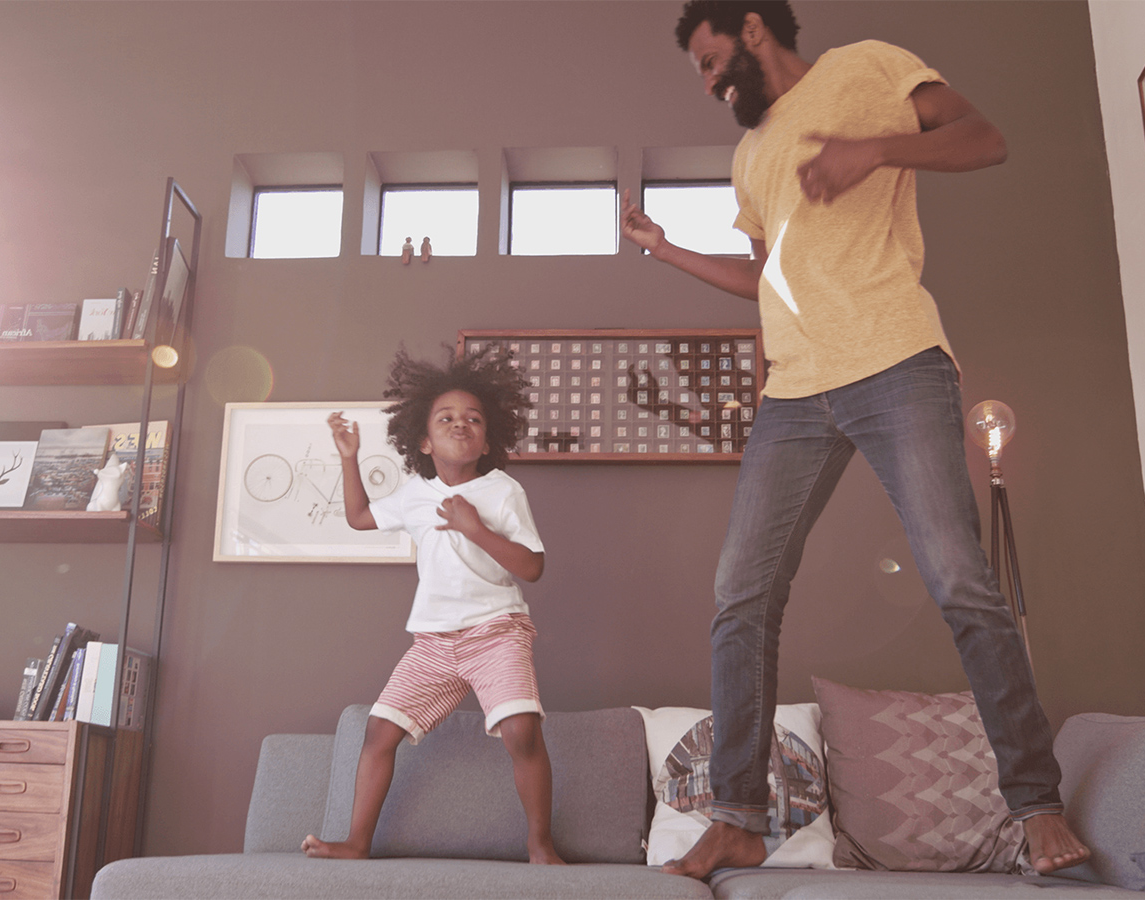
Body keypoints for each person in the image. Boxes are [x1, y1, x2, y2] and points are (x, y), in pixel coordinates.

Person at [618, 0, 1091, 879]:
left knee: (958, 580)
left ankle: (1035, 806)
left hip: (895, 359)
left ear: (751, 29)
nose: (708, 81)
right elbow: (766, 276)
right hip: (794, 390)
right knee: (740, 595)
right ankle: (737, 818)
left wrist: (874, 149)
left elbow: (984, 138)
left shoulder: (866, 68)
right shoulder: (750, 154)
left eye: (710, 60)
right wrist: (664, 249)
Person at [302, 346, 565, 866]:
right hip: (434, 641)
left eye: (474, 419)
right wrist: (349, 456)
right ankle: (356, 843)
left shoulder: (503, 491)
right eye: (445, 418)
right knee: (379, 732)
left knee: (521, 731)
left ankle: (540, 845)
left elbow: (532, 567)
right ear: (423, 441)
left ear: (487, 439)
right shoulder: (414, 494)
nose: (460, 424)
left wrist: (475, 528)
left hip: (496, 632)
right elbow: (358, 517)